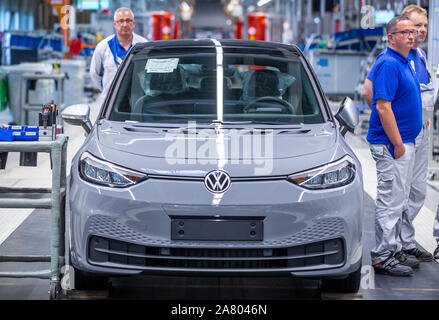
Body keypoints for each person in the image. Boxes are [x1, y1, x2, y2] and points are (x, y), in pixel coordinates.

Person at [363, 5, 435, 262]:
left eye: (422, 28)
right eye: (411, 29)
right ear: (393, 36)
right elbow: (378, 100)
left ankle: (400, 245)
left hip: (413, 134)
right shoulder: (389, 61)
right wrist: (396, 137)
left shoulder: (416, 57)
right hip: (397, 140)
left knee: (410, 194)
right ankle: (386, 254)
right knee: (393, 198)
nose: (417, 33)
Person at [90, 7, 147, 98]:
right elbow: (94, 73)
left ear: (133, 24)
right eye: (121, 21)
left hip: (137, 99)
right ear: (115, 24)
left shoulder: (144, 45)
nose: (125, 24)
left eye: (128, 21)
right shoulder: (103, 47)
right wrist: (107, 90)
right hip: (111, 101)